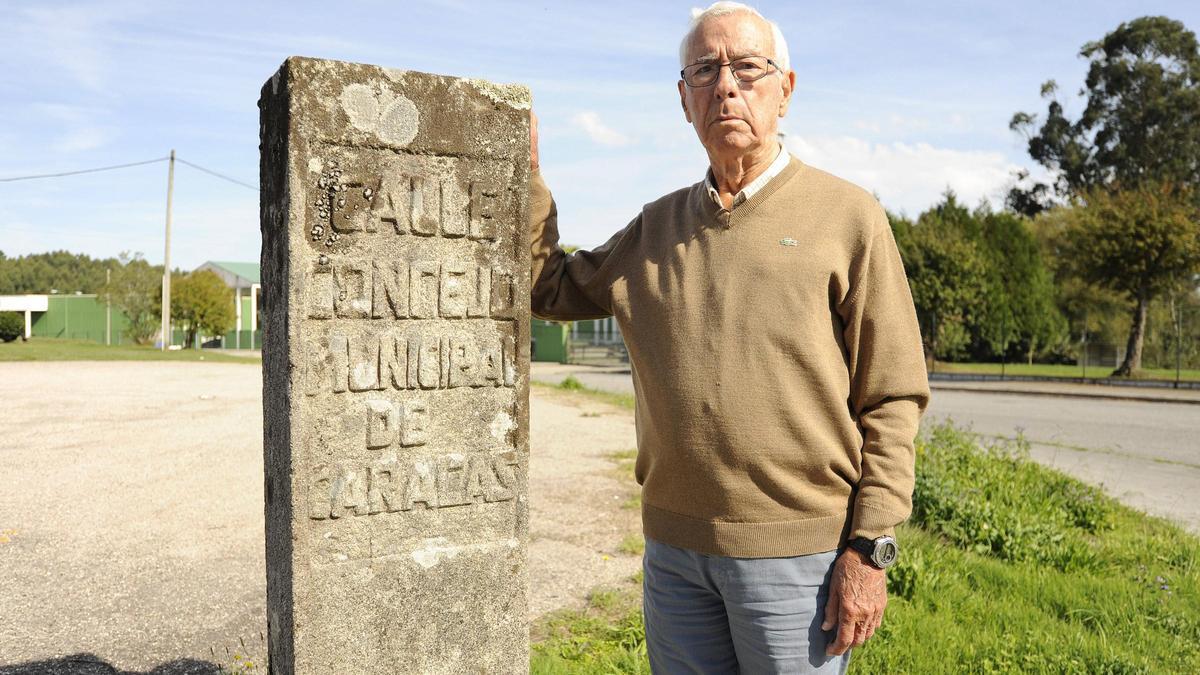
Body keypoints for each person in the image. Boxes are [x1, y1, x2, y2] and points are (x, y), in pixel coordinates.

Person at [528, 2, 930, 672]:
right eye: (705, 71)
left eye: (747, 67)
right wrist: (528, 183)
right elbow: (549, 289)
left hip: (797, 562)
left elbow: (893, 395)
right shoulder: (654, 230)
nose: (726, 86)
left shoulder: (849, 217)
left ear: (785, 89)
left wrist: (869, 547)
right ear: (684, 100)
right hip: (675, 558)